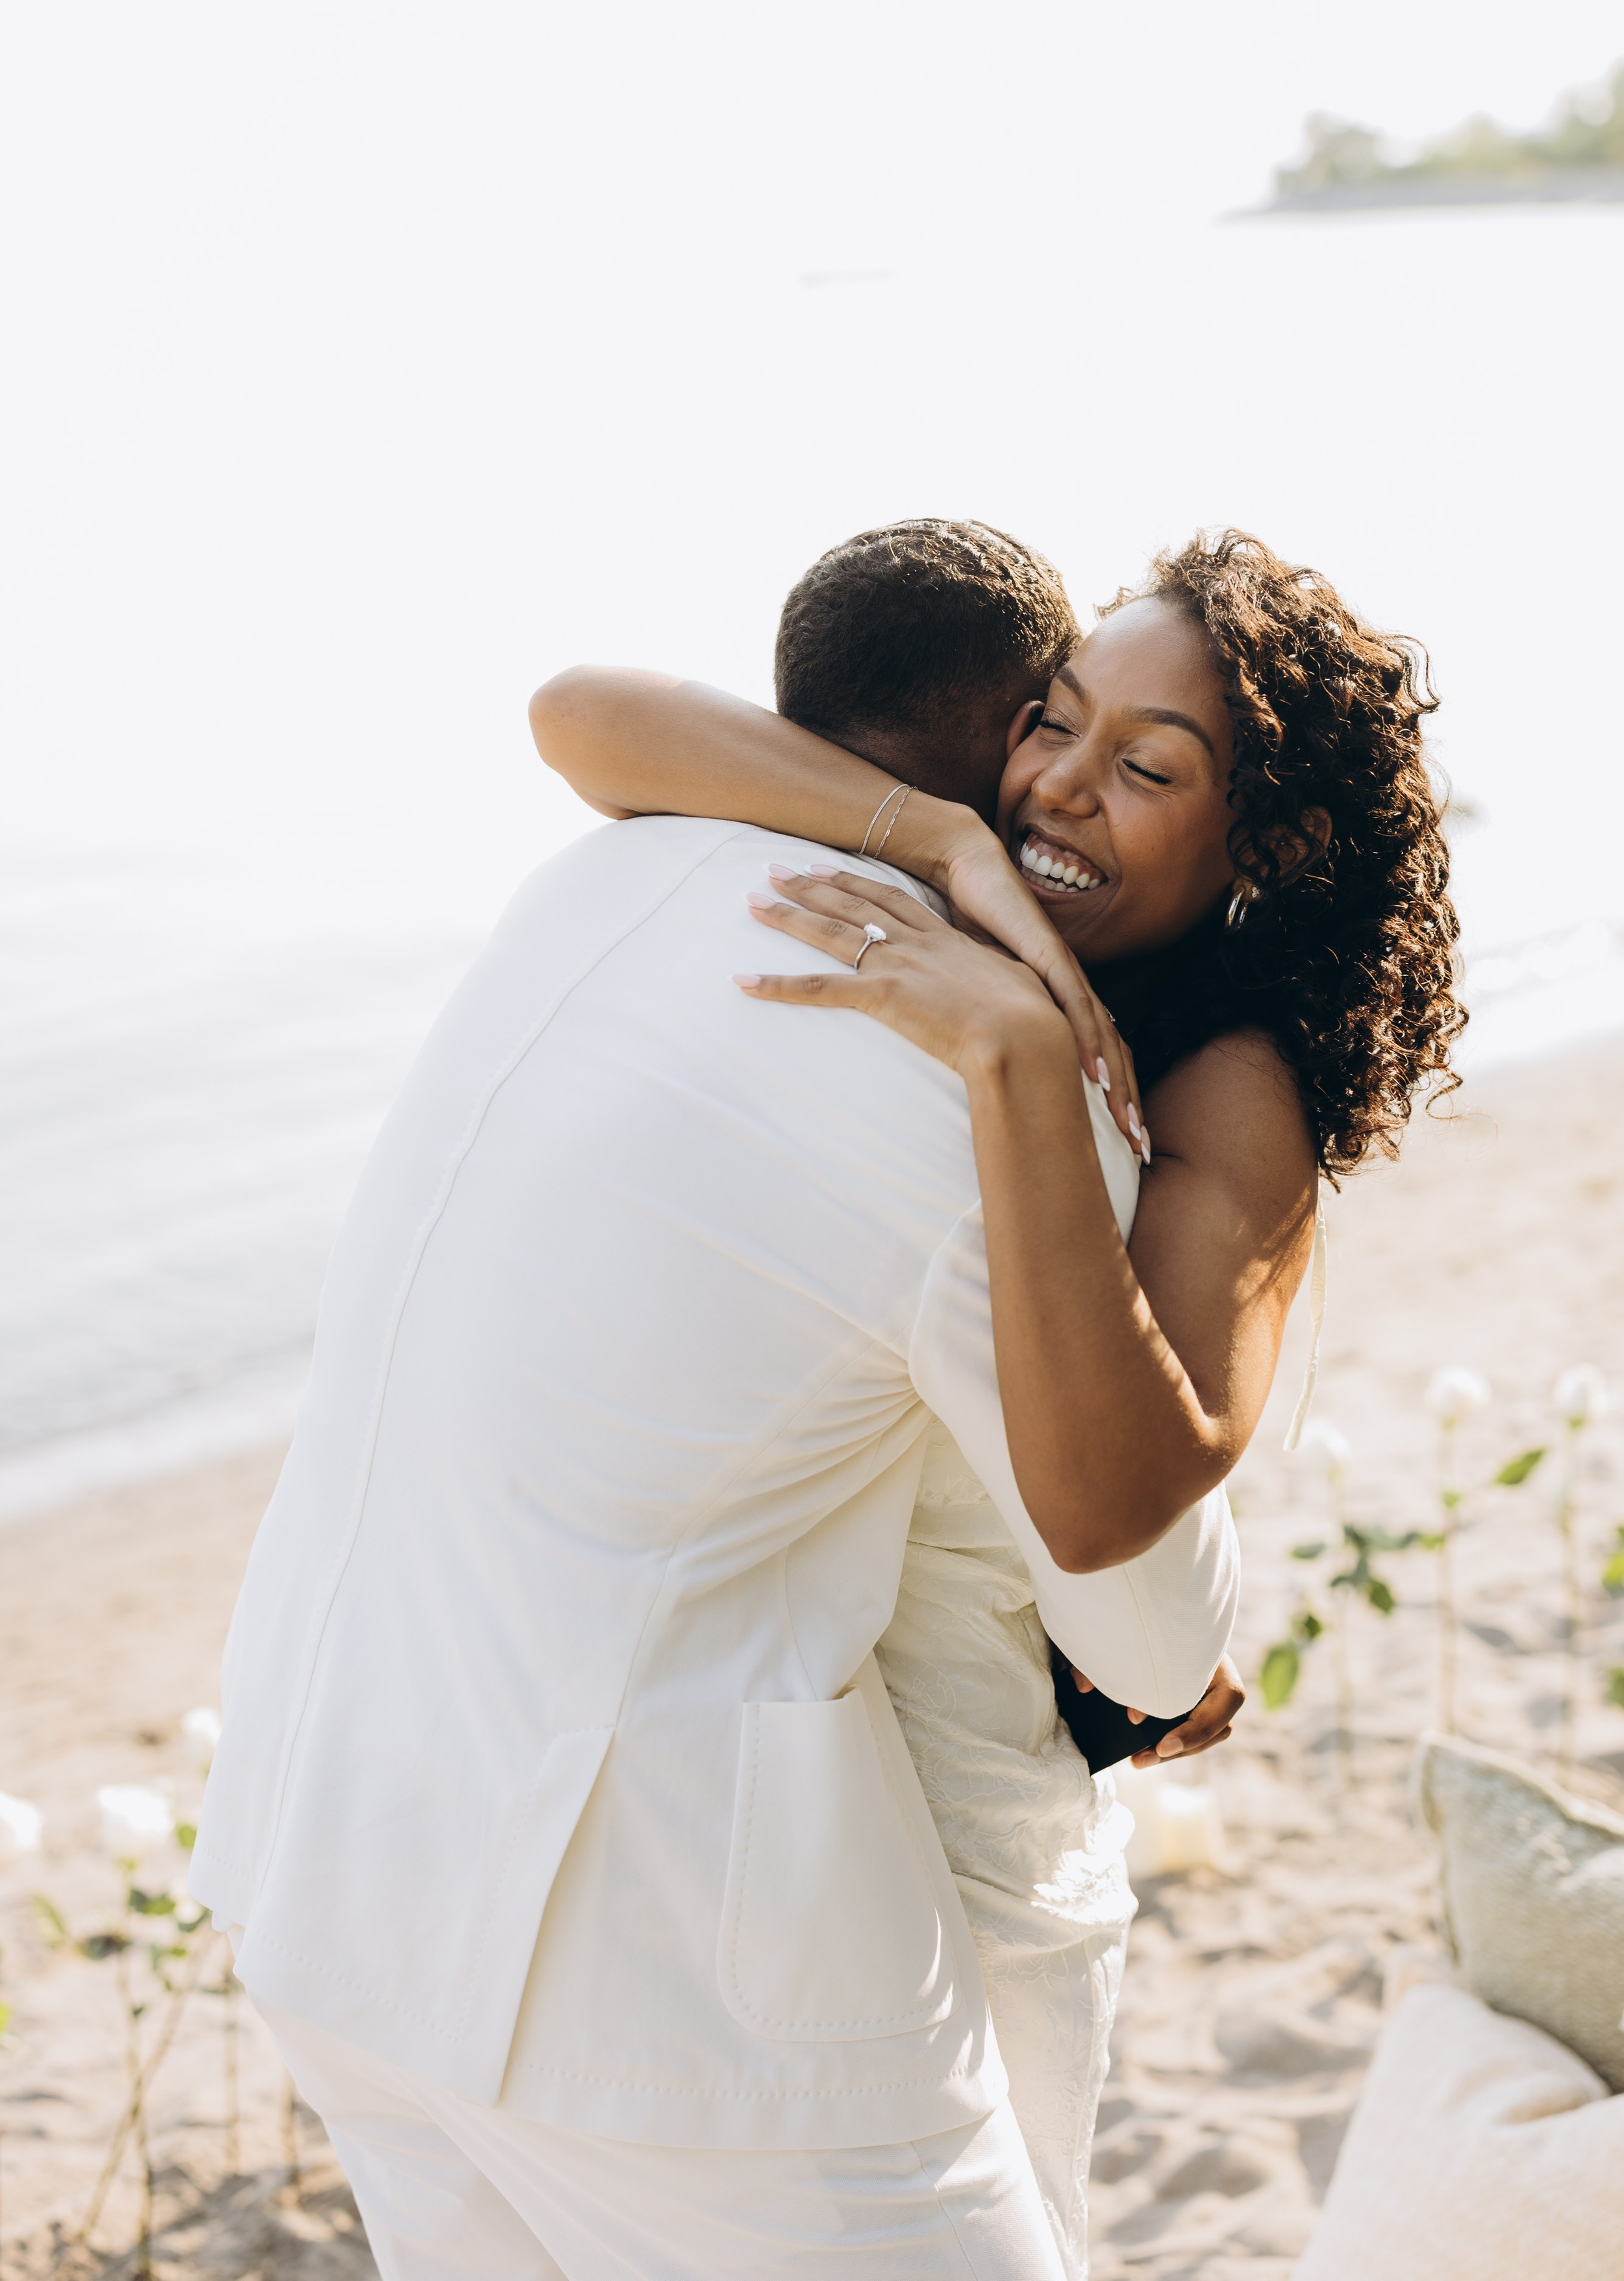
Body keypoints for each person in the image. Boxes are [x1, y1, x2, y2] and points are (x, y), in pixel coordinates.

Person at [190, 517, 1242, 2281]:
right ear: (1005, 742)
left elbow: (590, 713)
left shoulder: (592, 875)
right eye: (1056, 728)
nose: (1062, 786)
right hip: (655, 1996)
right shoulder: (980, 1068)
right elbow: (1147, 1632)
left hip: (321, 1865)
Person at [529, 520, 1464, 2273]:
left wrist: (1021, 1059)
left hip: (979, 1853)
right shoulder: (982, 883)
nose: (1062, 788)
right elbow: (582, 716)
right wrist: (936, 832)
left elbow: (1125, 1504)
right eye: (1056, 718)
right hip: (801, 1802)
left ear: (1277, 845)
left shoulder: (1231, 1081)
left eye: (1149, 767)